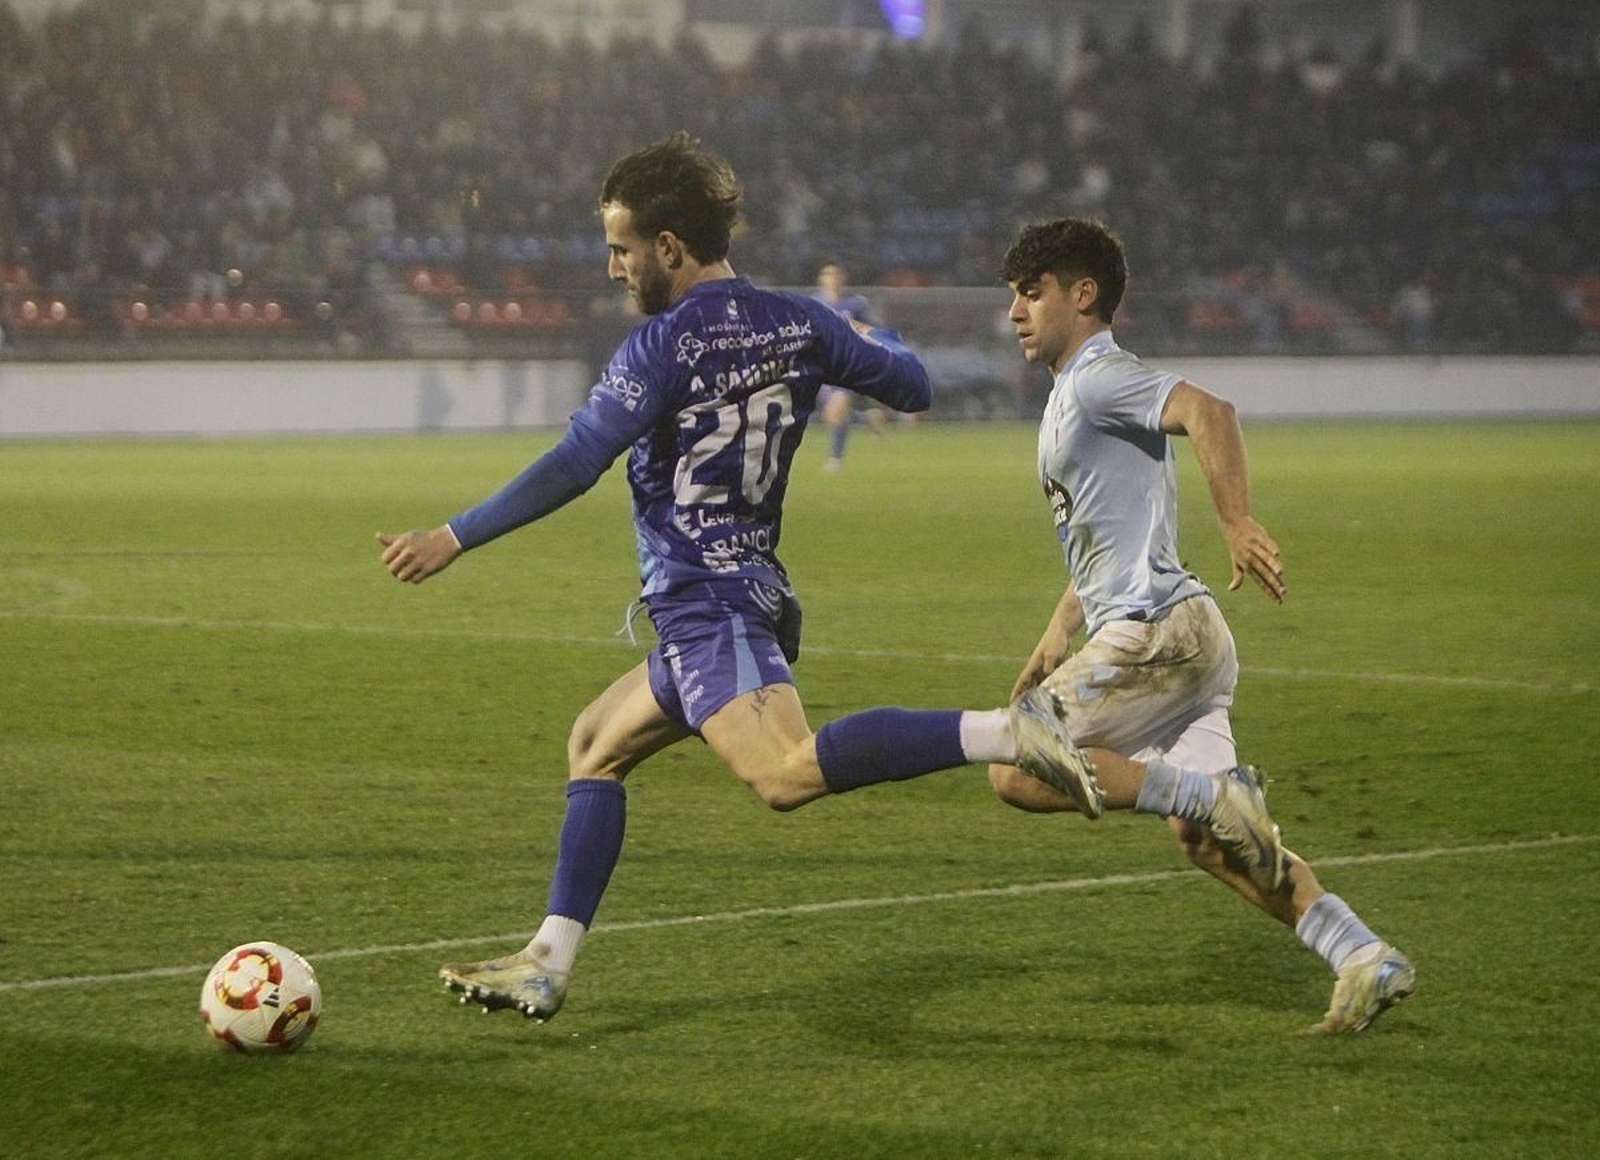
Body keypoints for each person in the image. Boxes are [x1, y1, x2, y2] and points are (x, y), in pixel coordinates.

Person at [376, 136, 1281, 1024]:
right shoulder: (799, 322)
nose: (613, 267)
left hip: (710, 603)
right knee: (594, 744)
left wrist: (453, 536)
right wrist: (854, 335)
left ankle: (1014, 735)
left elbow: (578, 461)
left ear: (669, 247)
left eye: (621, 249)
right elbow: (913, 384)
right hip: (744, 596)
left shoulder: (660, 345)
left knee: (783, 776)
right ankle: (547, 962)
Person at [988, 216, 1415, 1034]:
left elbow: (1208, 410)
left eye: (1032, 293)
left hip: (1156, 634)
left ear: (1084, 295)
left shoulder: (1097, 377)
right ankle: (1361, 953)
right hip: (1186, 638)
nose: (1015, 311)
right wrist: (1057, 630)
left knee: (1016, 763)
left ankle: (1209, 793)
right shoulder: (1072, 395)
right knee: (1211, 840)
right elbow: (1109, 536)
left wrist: (1236, 520)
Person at [812, 260, 884, 470]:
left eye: (836, 276)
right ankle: (866, 419)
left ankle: (835, 459)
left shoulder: (855, 304)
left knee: (838, 408)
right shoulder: (814, 303)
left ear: (843, 280)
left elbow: (873, 329)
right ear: (821, 281)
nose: (833, 280)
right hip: (823, 365)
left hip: (848, 363)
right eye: (828, 276)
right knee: (831, 415)